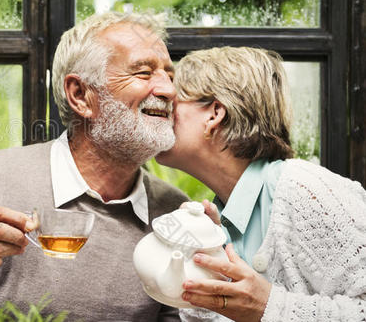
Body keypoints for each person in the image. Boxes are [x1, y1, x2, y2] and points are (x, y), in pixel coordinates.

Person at [0, 12, 189, 322]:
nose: (169, 90)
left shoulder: (176, 214)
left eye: (169, 75)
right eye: (143, 73)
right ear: (81, 95)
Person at [155, 46, 366, 322]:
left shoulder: (302, 188)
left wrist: (267, 306)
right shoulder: (218, 223)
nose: (161, 112)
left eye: (174, 102)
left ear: (214, 114)